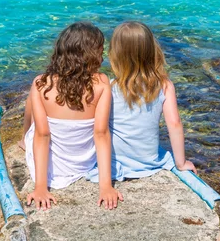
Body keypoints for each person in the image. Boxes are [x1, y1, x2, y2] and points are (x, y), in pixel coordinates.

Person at [21, 22, 123, 210]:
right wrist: (106, 186)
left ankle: (23, 137)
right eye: (101, 52)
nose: (102, 58)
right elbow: (101, 134)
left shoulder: (41, 83)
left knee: (33, 99)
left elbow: (43, 136)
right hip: (84, 162)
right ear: (91, 55)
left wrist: (41, 187)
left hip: (54, 167)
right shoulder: (101, 82)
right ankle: (25, 136)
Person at [90, 21, 196, 182]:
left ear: (114, 54)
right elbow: (174, 124)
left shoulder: (109, 87)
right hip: (149, 161)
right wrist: (180, 163)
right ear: (152, 50)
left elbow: (97, 127)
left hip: (114, 162)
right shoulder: (164, 85)